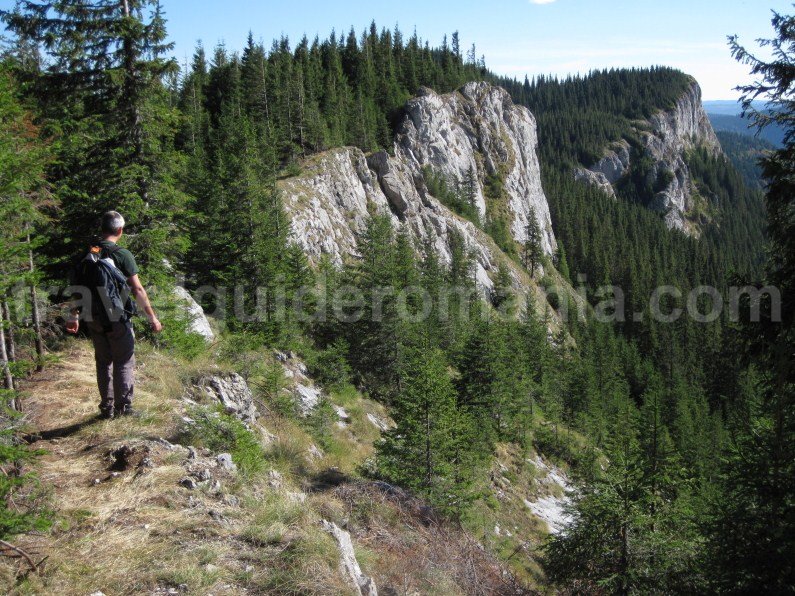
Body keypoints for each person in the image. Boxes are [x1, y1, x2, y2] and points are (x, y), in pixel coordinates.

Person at [65, 211, 163, 418]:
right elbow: (137, 290)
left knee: (103, 362)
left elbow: (77, 287)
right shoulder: (121, 254)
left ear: (103, 228)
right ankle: (124, 408)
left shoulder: (89, 253)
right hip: (116, 316)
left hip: (92, 316)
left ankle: (106, 408)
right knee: (124, 360)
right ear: (119, 230)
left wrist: (73, 315)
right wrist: (152, 317)